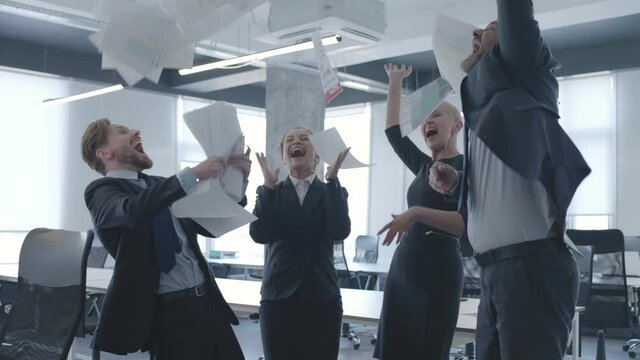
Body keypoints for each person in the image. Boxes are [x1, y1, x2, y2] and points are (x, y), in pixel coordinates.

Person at [429, 1, 592, 358]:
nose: (475, 33)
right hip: (495, 270)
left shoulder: (528, 73)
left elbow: (516, 13)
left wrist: (509, 20)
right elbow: (501, 183)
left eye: (489, 27)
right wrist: (457, 180)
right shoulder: (484, 107)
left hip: (531, 268)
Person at [81, 118, 249, 359]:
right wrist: (192, 174)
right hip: (170, 316)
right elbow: (131, 211)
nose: (136, 130)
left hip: (208, 305)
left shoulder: (160, 186)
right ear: (104, 152)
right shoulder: (101, 192)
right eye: (122, 131)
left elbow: (207, 224)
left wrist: (238, 181)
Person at [373, 63, 466, 360]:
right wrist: (396, 80)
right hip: (405, 266)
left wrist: (414, 213)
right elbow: (392, 132)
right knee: (394, 350)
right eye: (425, 119)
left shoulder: (467, 168)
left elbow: (465, 224)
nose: (428, 122)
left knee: (428, 349)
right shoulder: (423, 166)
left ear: (457, 125)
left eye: (436, 115)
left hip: (440, 268)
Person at [249, 127, 351, 360]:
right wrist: (266, 188)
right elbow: (259, 235)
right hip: (278, 300)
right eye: (290, 140)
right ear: (284, 158)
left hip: (323, 299)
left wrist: (333, 180)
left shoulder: (332, 191)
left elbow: (340, 231)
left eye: (305, 138)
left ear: (317, 155)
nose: (297, 141)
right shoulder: (270, 192)